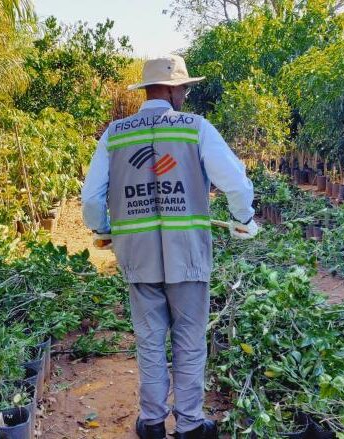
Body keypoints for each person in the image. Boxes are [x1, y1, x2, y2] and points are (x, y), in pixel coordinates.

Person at [80, 55, 258, 439]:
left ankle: (153, 423)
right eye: (185, 89)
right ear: (175, 89)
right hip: (188, 255)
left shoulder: (116, 134)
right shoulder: (195, 129)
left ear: (146, 90)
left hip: (138, 255)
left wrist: (102, 229)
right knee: (190, 342)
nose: (185, 95)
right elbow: (237, 184)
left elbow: (92, 198)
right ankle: (191, 425)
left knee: (149, 341)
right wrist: (243, 220)